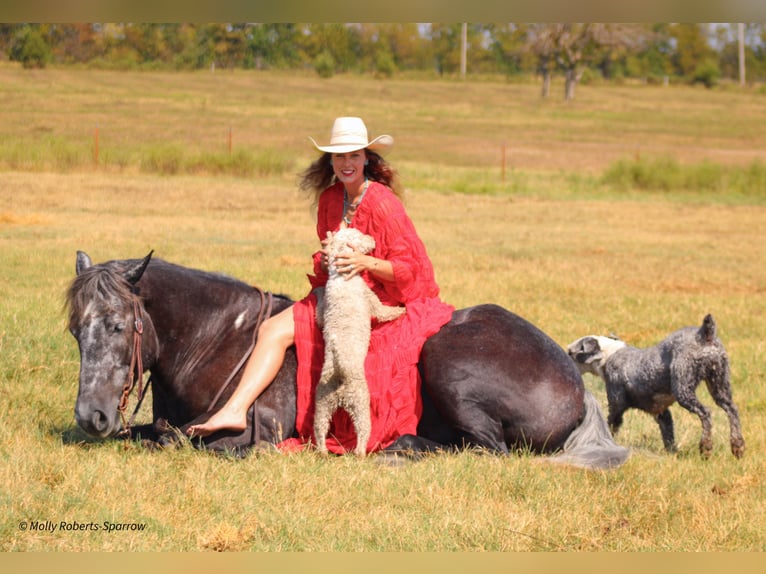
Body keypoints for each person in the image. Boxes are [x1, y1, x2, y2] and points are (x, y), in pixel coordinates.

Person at [187, 116, 454, 454]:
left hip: (384, 296)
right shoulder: (330, 199)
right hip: (337, 292)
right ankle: (235, 410)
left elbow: (409, 270)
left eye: (354, 155)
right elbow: (324, 257)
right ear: (330, 160)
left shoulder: (384, 203)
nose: (347, 163)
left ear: (367, 159)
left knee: (371, 358)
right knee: (272, 329)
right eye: (339, 156)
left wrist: (365, 263)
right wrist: (326, 259)